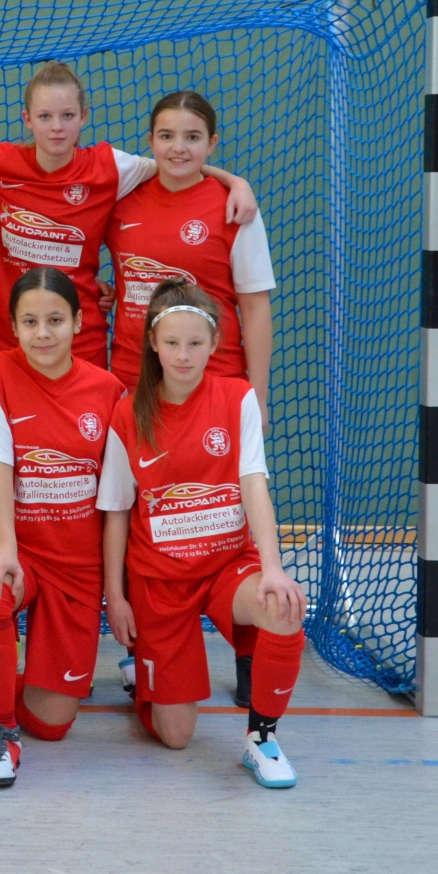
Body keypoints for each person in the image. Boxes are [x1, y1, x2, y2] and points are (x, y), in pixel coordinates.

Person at [0, 61, 257, 369]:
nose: (57, 128)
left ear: (84, 116)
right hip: (11, 341)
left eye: (67, 116)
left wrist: (234, 181)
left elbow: (176, 162)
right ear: (27, 119)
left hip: (81, 342)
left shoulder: (111, 167)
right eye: (45, 117)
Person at [97, 279, 308, 789]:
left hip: (224, 566)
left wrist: (273, 569)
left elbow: (253, 483)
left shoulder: (238, 398)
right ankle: (146, 679)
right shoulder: (128, 412)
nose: (183, 355)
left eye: (195, 343)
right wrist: (115, 596)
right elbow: (117, 511)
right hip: (159, 582)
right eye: (172, 343)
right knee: (175, 736)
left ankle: (261, 739)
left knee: (283, 608)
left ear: (215, 343)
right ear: (153, 343)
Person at [105, 90, 276, 704]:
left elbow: (255, 305)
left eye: (193, 137)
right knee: (143, 516)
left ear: (212, 143)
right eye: (166, 135)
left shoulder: (233, 208)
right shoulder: (123, 197)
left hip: (214, 388)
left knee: (227, 518)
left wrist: (256, 395)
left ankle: (250, 651)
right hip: (135, 383)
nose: (179, 148)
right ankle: (142, 651)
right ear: (150, 141)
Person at [0, 268, 126, 787]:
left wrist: (115, 589)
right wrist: (4, 546)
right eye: (29, 322)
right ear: (12, 327)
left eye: (55, 320)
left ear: (78, 321)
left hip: (76, 562)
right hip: (15, 543)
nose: (42, 333)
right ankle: (0, 731)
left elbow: (116, 501)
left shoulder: (110, 391)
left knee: (52, 725)